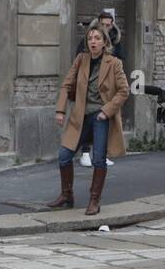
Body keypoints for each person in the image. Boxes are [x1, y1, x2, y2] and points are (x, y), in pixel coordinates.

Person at [50, 23, 129, 215]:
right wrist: (60, 110)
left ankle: (95, 200)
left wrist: (107, 111)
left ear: (104, 42)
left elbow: (124, 91)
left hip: (101, 116)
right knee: (64, 156)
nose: (93, 42)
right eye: (90, 38)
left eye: (97, 38)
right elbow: (66, 85)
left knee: (99, 159)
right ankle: (67, 194)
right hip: (80, 115)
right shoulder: (81, 59)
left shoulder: (114, 63)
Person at [75, 11, 124, 168]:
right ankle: (84, 153)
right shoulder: (89, 40)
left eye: (109, 25)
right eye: (103, 24)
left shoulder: (115, 40)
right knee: (85, 121)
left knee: (103, 124)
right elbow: (79, 61)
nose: (106, 27)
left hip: (107, 91)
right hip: (89, 90)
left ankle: (101, 154)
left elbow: (121, 59)